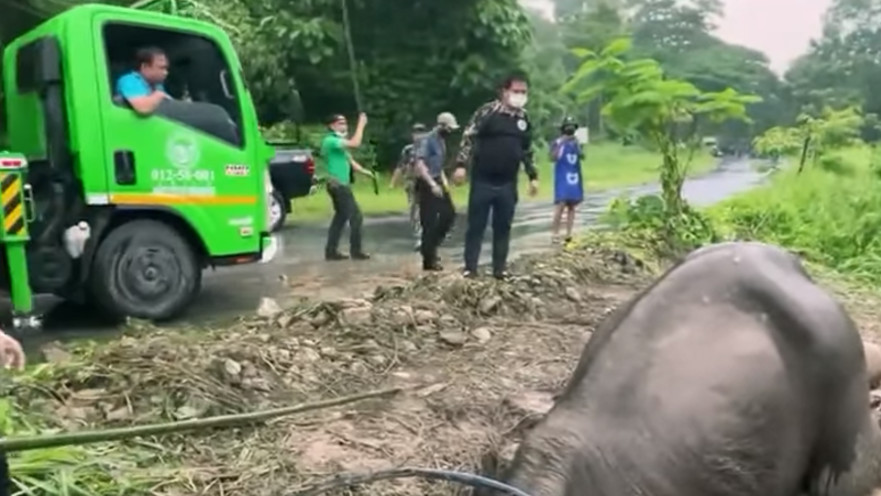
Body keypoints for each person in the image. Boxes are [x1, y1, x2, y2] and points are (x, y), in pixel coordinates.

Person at [453, 73, 539, 279]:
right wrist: (461, 165)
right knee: (477, 225)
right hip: (483, 179)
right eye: (516, 91)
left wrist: (533, 176)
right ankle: (470, 268)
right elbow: (469, 137)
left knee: (503, 227)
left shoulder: (523, 118)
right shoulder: (487, 112)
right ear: (504, 91)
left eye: (523, 92)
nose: (520, 95)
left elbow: (526, 149)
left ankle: (499, 269)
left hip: (508, 182)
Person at [321, 112, 373, 261]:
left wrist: (365, 172)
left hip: (338, 184)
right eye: (340, 123)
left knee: (340, 217)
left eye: (345, 122)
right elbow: (355, 143)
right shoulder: (330, 140)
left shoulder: (338, 141)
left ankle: (331, 251)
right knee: (356, 217)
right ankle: (356, 251)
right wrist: (361, 124)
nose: (344, 125)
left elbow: (349, 160)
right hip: (338, 185)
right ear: (332, 126)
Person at [414, 112, 459, 271]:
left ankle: (431, 246)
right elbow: (420, 164)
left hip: (438, 180)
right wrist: (432, 184)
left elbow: (438, 166)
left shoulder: (441, 141)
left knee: (450, 214)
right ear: (441, 126)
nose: (450, 131)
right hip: (426, 182)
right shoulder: (427, 140)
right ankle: (429, 260)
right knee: (429, 222)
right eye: (448, 128)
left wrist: (444, 184)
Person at [390, 123, 428, 250]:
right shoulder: (408, 150)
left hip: (426, 182)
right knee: (414, 209)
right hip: (412, 182)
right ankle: (419, 236)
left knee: (427, 209)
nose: (419, 136)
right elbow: (400, 166)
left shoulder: (429, 148)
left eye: (421, 133)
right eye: (416, 133)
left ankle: (427, 236)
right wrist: (393, 182)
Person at [550, 116, 584, 245]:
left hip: (574, 175)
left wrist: (577, 144)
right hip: (562, 175)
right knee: (561, 204)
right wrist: (562, 143)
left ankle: (569, 233)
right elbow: (552, 157)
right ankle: (555, 233)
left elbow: (582, 156)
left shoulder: (576, 142)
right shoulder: (558, 142)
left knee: (572, 205)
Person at [115, 46, 171, 115]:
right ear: (145, 67)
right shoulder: (130, 80)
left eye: (166, 69)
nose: (165, 72)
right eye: (161, 68)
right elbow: (143, 108)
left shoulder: (157, 85)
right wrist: (159, 95)